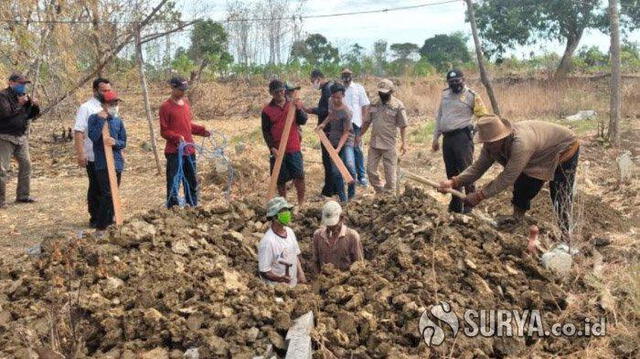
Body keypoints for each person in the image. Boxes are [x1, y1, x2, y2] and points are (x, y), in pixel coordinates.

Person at [438, 116, 580, 238]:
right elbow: (478, 168)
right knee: (522, 187)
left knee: (560, 194)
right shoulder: (490, 146)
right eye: (485, 142)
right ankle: (518, 219)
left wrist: (479, 196)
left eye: (491, 142)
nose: (488, 146)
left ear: (502, 137)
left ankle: (567, 235)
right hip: (538, 153)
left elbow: (507, 177)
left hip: (564, 148)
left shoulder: (521, 144)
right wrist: (453, 181)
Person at [432, 69, 489, 213]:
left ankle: (469, 203)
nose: (454, 84)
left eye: (457, 81)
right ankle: (456, 203)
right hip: (447, 139)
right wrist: (435, 138)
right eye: (451, 82)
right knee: (451, 172)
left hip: (462, 138)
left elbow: (484, 116)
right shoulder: (445, 95)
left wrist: (474, 130)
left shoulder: (472, 96)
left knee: (466, 171)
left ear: (463, 79)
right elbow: (440, 116)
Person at [159, 76, 211, 208]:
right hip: (174, 151)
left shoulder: (186, 104)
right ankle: (173, 209)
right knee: (174, 182)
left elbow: (188, 126)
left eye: (184, 90)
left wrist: (202, 131)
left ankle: (192, 206)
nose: (183, 92)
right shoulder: (165, 107)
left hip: (189, 150)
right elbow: (164, 131)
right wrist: (177, 137)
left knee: (191, 181)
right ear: (173, 88)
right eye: (181, 89)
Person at [357, 79, 408, 194]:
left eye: (385, 92)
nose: (382, 94)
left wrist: (404, 143)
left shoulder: (397, 106)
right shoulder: (374, 103)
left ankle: (389, 195)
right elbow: (367, 122)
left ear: (391, 91)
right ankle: (380, 191)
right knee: (370, 170)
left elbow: (403, 125)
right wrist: (359, 135)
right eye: (380, 92)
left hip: (389, 144)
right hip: (375, 143)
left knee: (390, 174)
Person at [261, 79, 307, 205]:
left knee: (299, 176)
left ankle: (301, 204)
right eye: (276, 92)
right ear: (271, 93)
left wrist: (299, 109)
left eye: (282, 90)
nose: (280, 94)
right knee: (280, 180)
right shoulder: (266, 111)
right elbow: (266, 131)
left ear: (284, 90)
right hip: (277, 150)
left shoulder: (292, 105)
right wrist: (272, 148)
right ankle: (284, 203)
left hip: (293, 147)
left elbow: (303, 120)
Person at [74, 78, 112, 227]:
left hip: (109, 154)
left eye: (109, 90)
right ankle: (95, 217)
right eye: (104, 90)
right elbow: (78, 131)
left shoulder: (111, 106)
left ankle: (108, 216)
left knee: (108, 188)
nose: (107, 93)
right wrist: (80, 154)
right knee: (96, 187)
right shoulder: (86, 107)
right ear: (95, 91)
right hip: (93, 155)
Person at [86, 90, 127, 231]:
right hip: (102, 163)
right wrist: (101, 120)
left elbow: (123, 142)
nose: (114, 106)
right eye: (111, 104)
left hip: (117, 163)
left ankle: (112, 222)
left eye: (116, 103)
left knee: (114, 193)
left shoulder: (118, 121)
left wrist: (115, 142)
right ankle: (102, 225)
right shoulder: (93, 118)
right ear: (103, 105)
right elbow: (94, 137)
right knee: (107, 194)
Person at [0, 73, 40, 209]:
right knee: (2, 169)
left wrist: (34, 105)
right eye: (20, 83)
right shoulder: (3, 96)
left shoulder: (23, 97)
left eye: (24, 84)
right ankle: (1, 200)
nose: (22, 86)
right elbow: (5, 114)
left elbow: (31, 115)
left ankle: (23, 195)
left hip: (20, 137)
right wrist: (19, 104)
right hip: (4, 137)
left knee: (26, 165)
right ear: (11, 82)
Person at [317, 84, 356, 202]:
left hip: (346, 140)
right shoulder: (330, 101)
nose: (335, 100)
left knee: (349, 166)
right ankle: (343, 199)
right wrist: (323, 123)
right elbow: (331, 114)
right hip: (333, 139)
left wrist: (338, 148)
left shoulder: (347, 112)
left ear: (343, 95)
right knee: (335, 171)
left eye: (338, 98)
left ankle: (351, 195)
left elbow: (346, 133)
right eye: (334, 97)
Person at [258, 196, 306, 286]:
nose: (287, 214)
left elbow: (294, 254)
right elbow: (264, 272)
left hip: (293, 287)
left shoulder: (289, 232)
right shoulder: (268, 242)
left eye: (287, 210)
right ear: (274, 217)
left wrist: (300, 273)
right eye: (282, 212)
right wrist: (280, 279)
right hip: (277, 291)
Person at [304, 69, 335, 198]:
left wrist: (309, 109)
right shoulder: (328, 88)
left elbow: (326, 111)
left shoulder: (327, 89)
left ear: (318, 78)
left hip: (328, 129)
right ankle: (332, 188)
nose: (313, 84)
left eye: (313, 81)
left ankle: (329, 190)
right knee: (330, 160)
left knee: (328, 160)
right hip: (329, 129)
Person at [312, 200, 364, 274]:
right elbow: (315, 261)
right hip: (324, 282)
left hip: (346, 283)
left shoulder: (352, 236)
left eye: (333, 224)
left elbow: (359, 265)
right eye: (328, 224)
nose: (330, 227)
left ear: (342, 218)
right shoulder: (318, 236)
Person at [341, 68, 370, 187]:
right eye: (344, 75)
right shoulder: (340, 89)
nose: (346, 77)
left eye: (348, 75)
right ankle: (347, 176)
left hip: (356, 124)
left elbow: (364, 106)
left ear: (351, 76)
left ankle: (362, 177)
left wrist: (363, 122)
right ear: (341, 76)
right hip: (343, 124)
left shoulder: (358, 88)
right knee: (345, 150)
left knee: (357, 149)